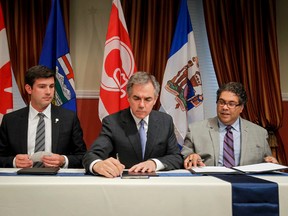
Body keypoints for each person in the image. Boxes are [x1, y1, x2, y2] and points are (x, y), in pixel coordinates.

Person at [83, 71, 183, 178]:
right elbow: (91, 155)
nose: (141, 105)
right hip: (122, 185)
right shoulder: (112, 122)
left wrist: (154, 163)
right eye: (136, 98)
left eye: (147, 99)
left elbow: (176, 157)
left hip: (156, 185)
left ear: (155, 100)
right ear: (128, 98)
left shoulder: (165, 121)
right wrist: (98, 165)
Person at [0, 65, 87, 168]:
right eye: (42, 87)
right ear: (29, 89)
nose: (48, 92)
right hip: (22, 179)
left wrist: (63, 160)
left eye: (51, 86)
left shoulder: (69, 118)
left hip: (57, 179)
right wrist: (14, 161)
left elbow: (83, 156)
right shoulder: (10, 120)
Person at [182, 82, 278, 169]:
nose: (224, 107)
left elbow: (267, 161)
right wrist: (191, 156)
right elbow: (184, 156)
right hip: (209, 183)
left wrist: (270, 163)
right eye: (221, 102)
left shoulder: (259, 133)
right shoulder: (195, 130)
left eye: (231, 104)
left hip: (246, 184)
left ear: (241, 108)